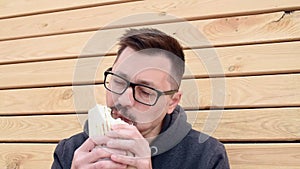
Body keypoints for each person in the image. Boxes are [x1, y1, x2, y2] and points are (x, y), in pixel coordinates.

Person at [51, 28, 230, 169]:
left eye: (145, 91)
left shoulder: (206, 157)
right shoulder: (70, 151)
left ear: (172, 102)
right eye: (119, 82)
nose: (124, 100)